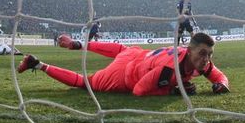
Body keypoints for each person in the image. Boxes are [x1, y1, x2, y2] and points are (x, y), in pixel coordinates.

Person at [17, 32, 229, 96]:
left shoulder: (199, 62)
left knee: (120, 49)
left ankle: (79, 44)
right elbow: (139, 90)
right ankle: (37, 64)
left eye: (210, 54)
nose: (207, 59)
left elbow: (219, 75)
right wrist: (172, 90)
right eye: (203, 54)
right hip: (123, 74)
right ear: (190, 51)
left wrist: (222, 84)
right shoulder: (169, 69)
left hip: (136, 55)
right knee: (84, 83)